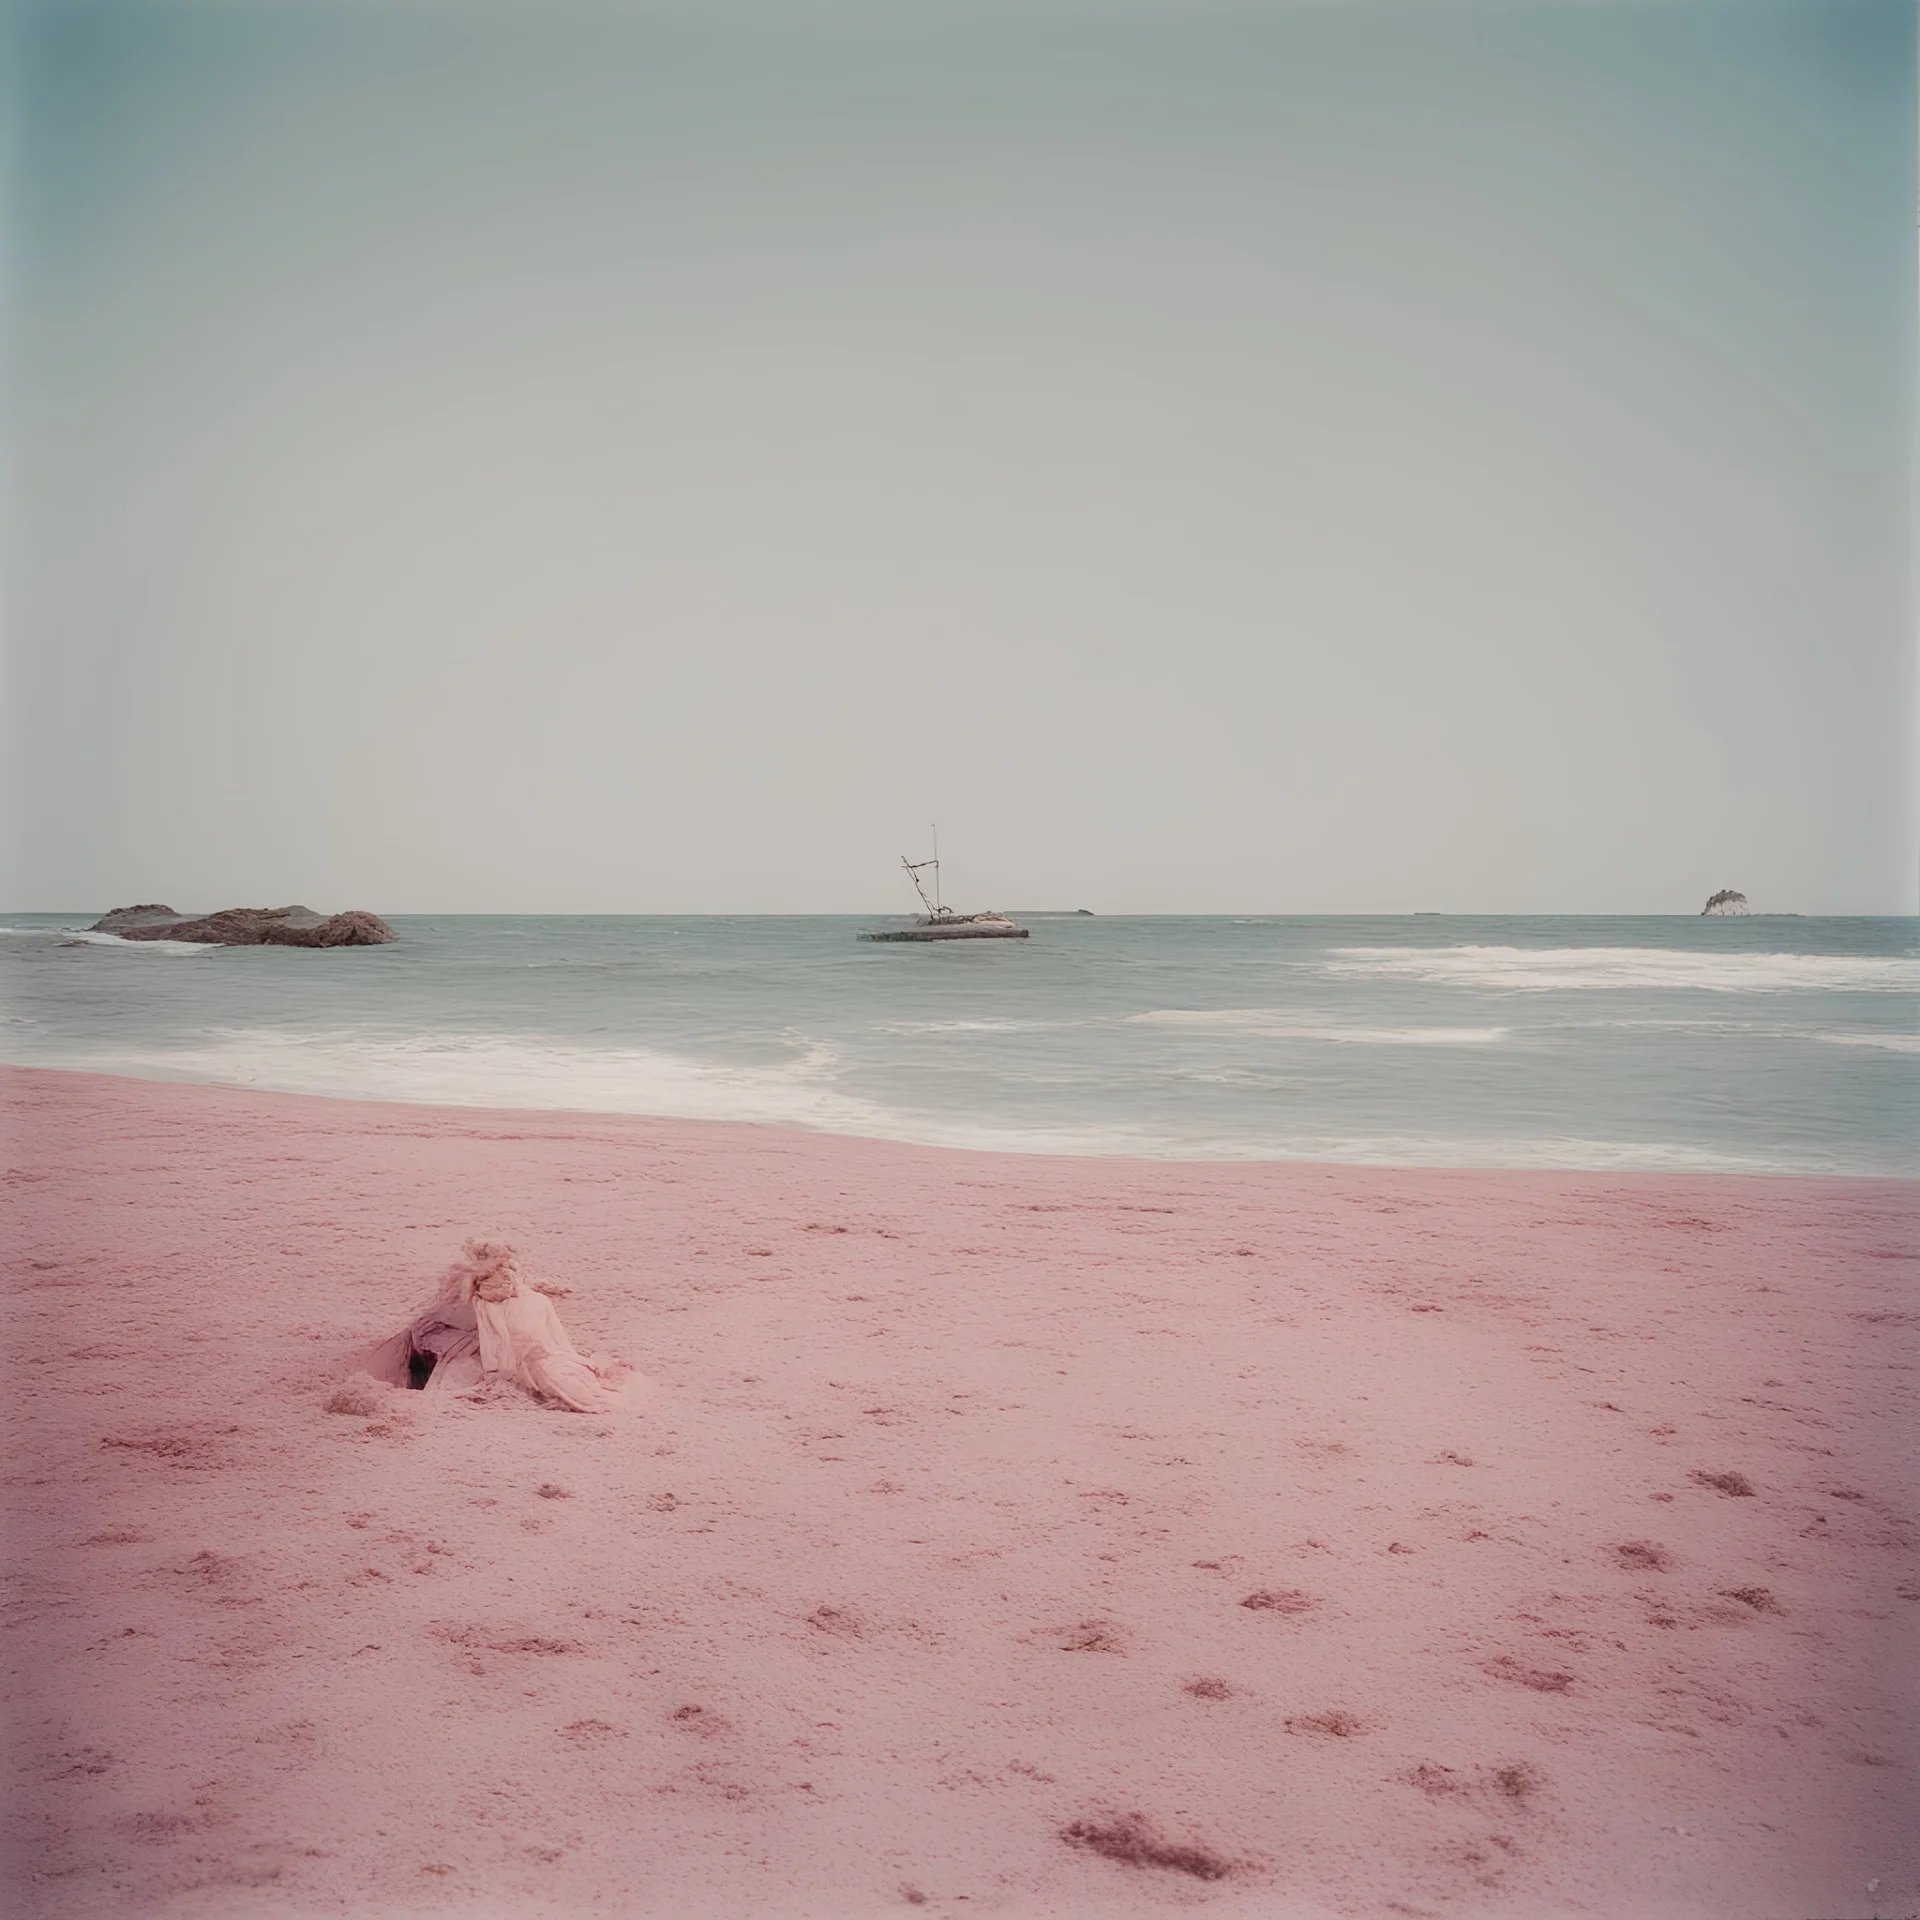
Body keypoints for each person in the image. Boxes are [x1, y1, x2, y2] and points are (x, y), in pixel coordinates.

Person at [360, 1238, 620, 1413]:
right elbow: (555, 1343)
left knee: (434, 1348)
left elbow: (425, 1330)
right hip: (532, 1360)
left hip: (488, 1361)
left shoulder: (467, 1305)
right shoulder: (536, 1301)